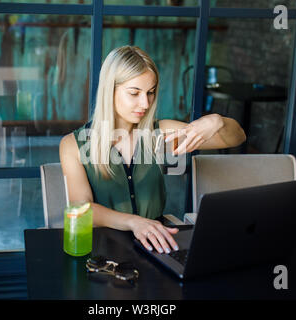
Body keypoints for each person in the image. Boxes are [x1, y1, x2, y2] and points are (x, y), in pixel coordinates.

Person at [60, 45, 246, 254]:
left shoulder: (162, 133)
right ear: (109, 90)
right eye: (134, 93)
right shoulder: (73, 144)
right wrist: (134, 222)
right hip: (101, 250)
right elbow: (83, 208)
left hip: (155, 246)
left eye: (150, 93)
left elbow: (237, 138)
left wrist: (217, 121)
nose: (145, 103)